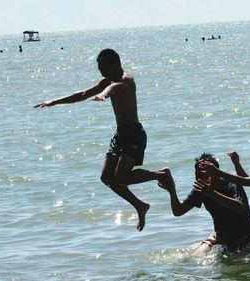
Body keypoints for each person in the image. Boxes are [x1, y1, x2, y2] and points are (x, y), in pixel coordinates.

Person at [34, 49, 173, 231]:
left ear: (115, 64)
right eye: (99, 69)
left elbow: (113, 88)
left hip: (134, 134)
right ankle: (140, 205)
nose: (101, 73)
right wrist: (54, 101)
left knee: (121, 178)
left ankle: (161, 175)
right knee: (107, 178)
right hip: (120, 134)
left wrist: (103, 95)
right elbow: (83, 93)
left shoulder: (126, 81)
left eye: (103, 68)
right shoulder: (107, 79)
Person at [164, 153, 250, 253]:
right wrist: (172, 190)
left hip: (245, 237)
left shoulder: (231, 183)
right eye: (196, 173)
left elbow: (240, 207)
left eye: (203, 172)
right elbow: (178, 211)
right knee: (194, 258)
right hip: (220, 236)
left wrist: (211, 193)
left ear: (215, 172)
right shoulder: (201, 189)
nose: (198, 176)